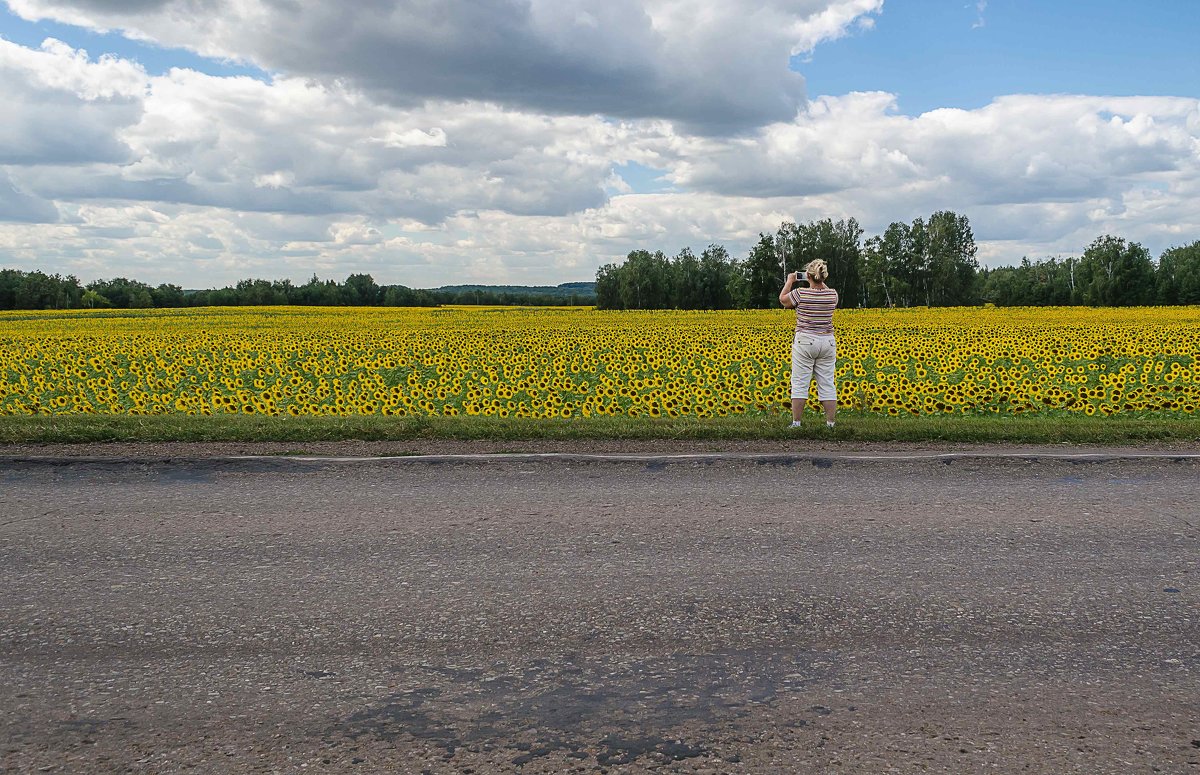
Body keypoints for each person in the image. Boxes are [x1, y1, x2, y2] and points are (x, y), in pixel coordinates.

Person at [778, 259, 838, 429]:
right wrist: (819, 282)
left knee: (799, 382)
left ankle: (796, 423)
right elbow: (823, 290)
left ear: (808, 276)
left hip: (805, 341)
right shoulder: (832, 294)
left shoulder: (800, 293)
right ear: (823, 277)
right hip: (827, 341)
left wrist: (790, 280)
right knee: (827, 382)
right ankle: (830, 424)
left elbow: (783, 300)